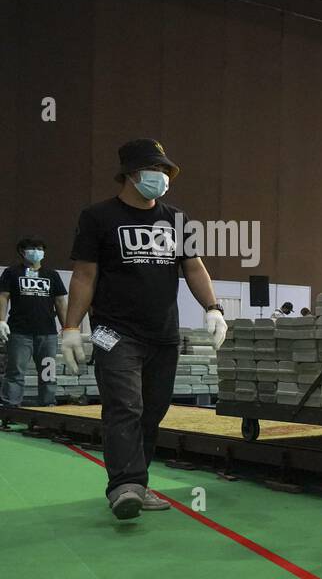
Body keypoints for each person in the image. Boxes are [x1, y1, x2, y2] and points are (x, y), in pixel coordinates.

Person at [60, 139, 228, 518]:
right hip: (113, 332)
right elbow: (85, 274)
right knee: (124, 407)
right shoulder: (98, 217)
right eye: (157, 170)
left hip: (163, 334)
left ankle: (138, 480)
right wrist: (71, 326)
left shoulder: (176, 219)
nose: (164, 178)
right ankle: (125, 486)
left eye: (167, 172)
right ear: (132, 174)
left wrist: (213, 308)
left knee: (152, 410)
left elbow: (194, 266)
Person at [1, 237, 67, 407]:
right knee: (15, 372)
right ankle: (10, 408)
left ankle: (48, 407)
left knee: (48, 374)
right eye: (32, 248)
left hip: (47, 334)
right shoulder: (11, 272)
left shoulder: (52, 275)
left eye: (39, 248)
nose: (36, 251)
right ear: (22, 252)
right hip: (19, 332)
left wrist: (68, 327)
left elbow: (60, 302)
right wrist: (1, 320)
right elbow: (3, 297)